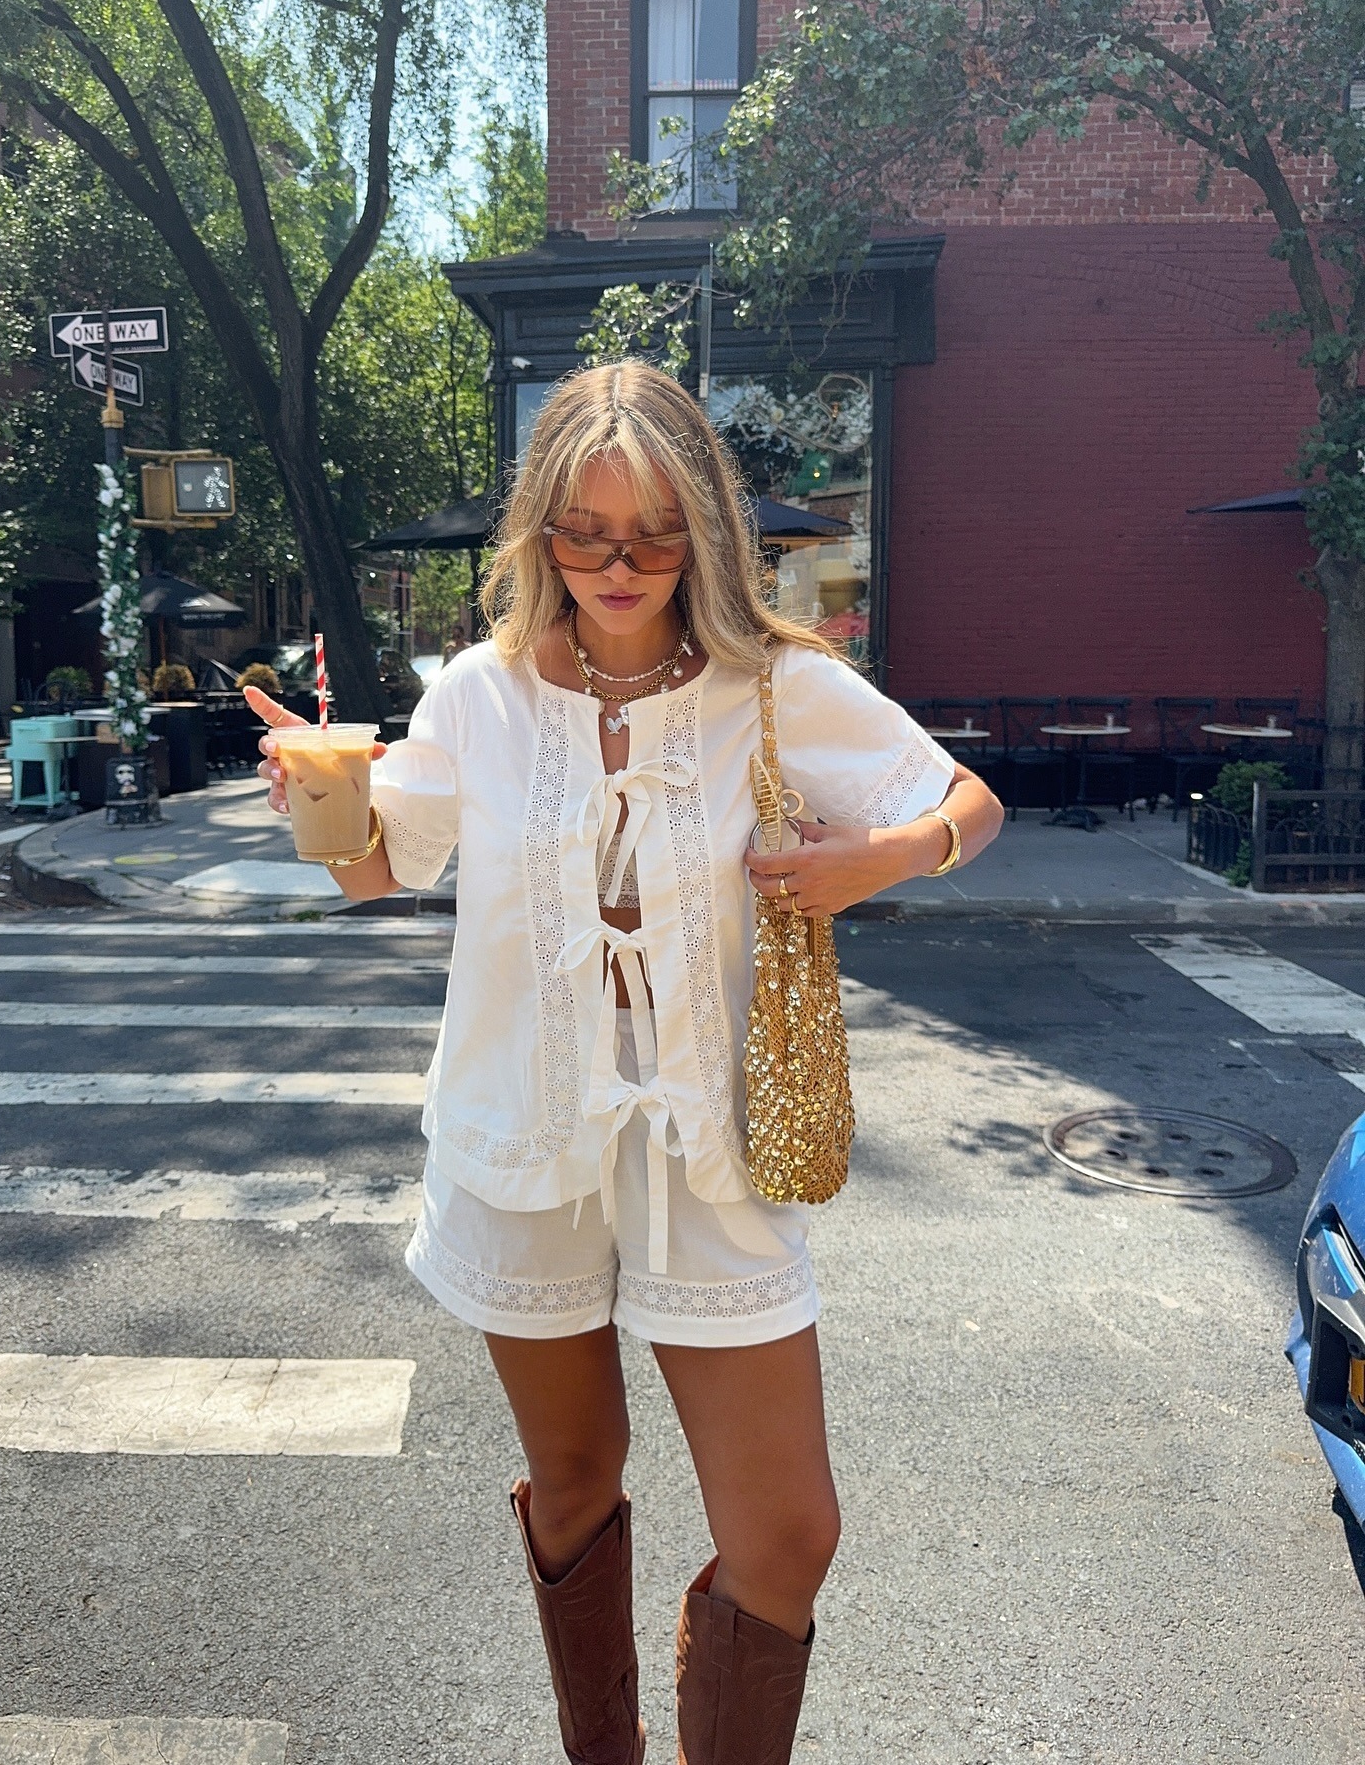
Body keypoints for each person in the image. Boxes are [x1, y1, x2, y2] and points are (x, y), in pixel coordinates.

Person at [247, 360, 1002, 1764]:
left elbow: (968, 800)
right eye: (583, 533)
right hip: (524, 1146)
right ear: (539, 536)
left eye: (652, 531)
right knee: (577, 1476)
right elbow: (372, 874)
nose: (617, 562)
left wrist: (876, 861)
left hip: (707, 1155)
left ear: (702, 532)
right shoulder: (479, 695)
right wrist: (317, 793)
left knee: (788, 1534)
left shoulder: (774, 686)